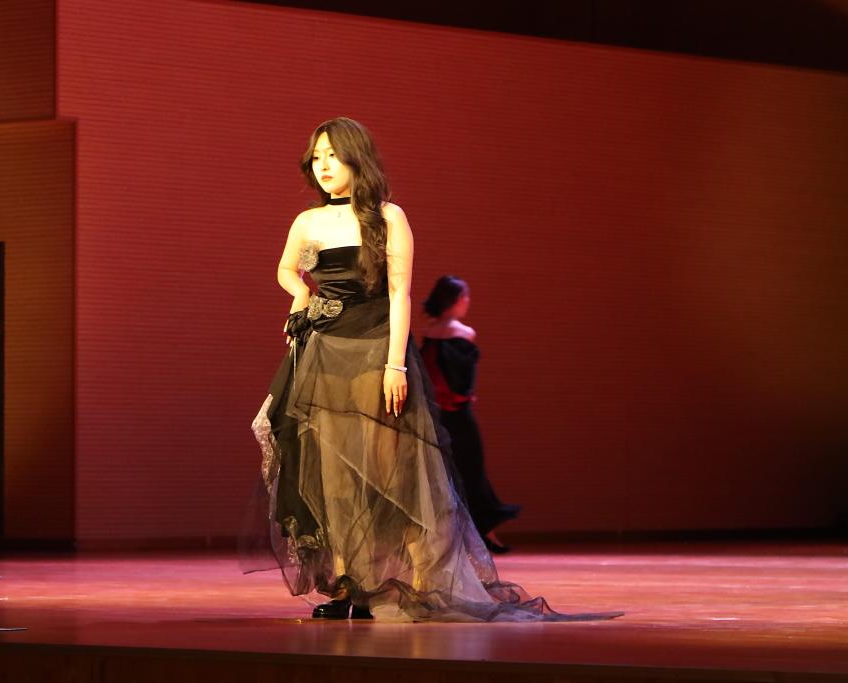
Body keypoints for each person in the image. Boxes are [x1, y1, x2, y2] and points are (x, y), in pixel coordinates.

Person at [250, 117, 620, 623]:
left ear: (357, 157)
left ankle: (417, 582)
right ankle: (349, 586)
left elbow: (399, 293)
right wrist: (300, 294)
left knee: (390, 472)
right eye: (317, 157)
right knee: (333, 474)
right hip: (323, 351)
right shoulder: (307, 221)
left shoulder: (388, 216)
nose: (324, 166)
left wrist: (395, 364)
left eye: (333, 155)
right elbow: (286, 268)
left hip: (375, 347)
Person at [420, 276, 520, 553]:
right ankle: (485, 536)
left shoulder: (429, 333)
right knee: (472, 474)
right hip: (459, 417)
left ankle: (456, 540)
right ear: (456, 300)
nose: (468, 302)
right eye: (466, 297)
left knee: (445, 476)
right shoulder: (463, 334)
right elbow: (463, 385)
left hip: (436, 417)